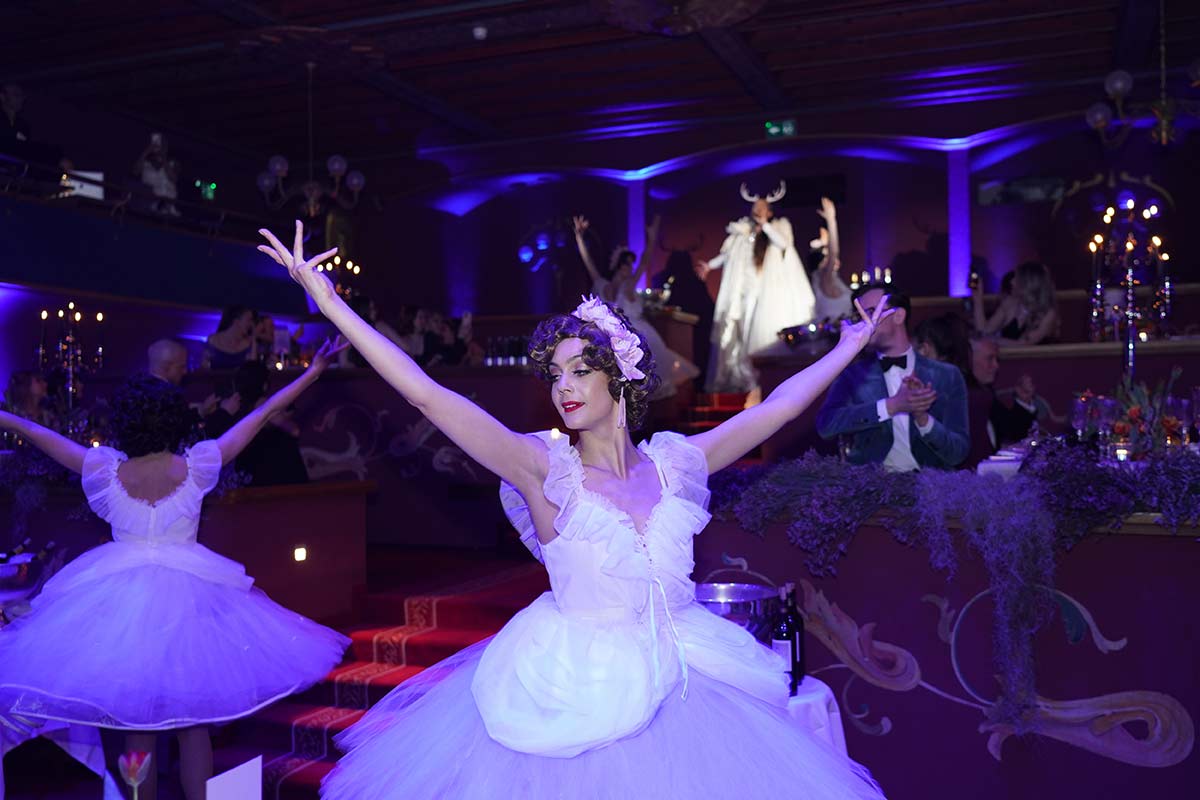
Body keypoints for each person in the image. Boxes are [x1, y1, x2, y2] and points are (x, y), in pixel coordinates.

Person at [257, 221, 890, 800]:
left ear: (618, 379)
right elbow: (429, 396)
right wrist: (331, 303)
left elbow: (776, 409)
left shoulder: (677, 464)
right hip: (576, 689)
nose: (562, 387)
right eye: (554, 375)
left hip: (693, 675)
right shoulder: (543, 470)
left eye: (580, 370)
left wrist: (850, 346)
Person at [0, 339, 350, 800]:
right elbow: (260, 416)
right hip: (190, 597)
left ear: (126, 420)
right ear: (172, 417)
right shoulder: (199, 464)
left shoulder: (103, 470)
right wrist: (312, 373)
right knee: (194, 727)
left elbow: (41, 437)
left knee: (136, 727)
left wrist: (3, 416)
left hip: (119, 600)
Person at [816, 284, 970, 471]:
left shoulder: (947, 375)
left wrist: (923, 420)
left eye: (872, 312)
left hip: (932, 489)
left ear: (898, 315)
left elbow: (959, 453)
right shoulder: (853, 376)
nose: (865, 322)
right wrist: (891, 406)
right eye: (860, 316)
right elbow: (826, 425)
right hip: (873, 490)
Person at [695, 182, 816, 401]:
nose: (757, 210)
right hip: (742, 289)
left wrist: (766, 227)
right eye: (755, 207)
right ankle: (741, 378)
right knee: (739, 332)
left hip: (765, 292)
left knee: (754, 330)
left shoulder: (779, 226)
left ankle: (758, 379)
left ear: (769, 211)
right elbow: (727, 254)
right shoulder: (742, 231)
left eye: (762, 207)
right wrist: (710, 265)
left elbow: (784, 244)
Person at [574, 214, 699, 398]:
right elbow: (588, 262)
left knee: (641, 379)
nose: (630, 269)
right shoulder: (601, 284)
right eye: (626, 265)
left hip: (635, 336)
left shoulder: (629, 285)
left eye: (631, 266)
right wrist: (579, 237)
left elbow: (645, 260)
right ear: (617, 266)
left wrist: (652, 237)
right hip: (608, 336)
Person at [204, 361, 310, 486]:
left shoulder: (232, 405)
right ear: (264, 385)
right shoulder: (264, 405)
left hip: (243, 477)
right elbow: (294, 431)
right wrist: (284, 421)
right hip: (270, 478)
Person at [968, 336, 1042, 452]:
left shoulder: (986, 393)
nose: (996, 366)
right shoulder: (959, 397)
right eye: (990, 359)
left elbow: (1014, 431)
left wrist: (1023, 401)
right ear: (969, 360)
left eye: (997, 359)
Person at [972, 261, 1059, 344]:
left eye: (1016, 278)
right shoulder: (1009, 303)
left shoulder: (1048, 313)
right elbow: (984, 332)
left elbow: (1025, 344)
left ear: (1028, 284)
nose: (1012, 282)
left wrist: (992, 340)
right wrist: (977, 300)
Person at [811, 196, 853, 323]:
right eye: (828, 258)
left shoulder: (834, 279)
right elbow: (834, 251)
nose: (833, 260)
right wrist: (831, 220)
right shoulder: (824, 278)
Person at [133, 131, 180, 217]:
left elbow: (173, 178)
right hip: (148, 202)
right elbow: (135, 172)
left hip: (168, 205)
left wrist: (164, 156)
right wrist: (146, 152)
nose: (158, 146)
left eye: (161, 143)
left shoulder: (173, 163)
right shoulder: (146, 163)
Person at [202, 305, 256, 370]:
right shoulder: (213, 340)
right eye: (249, 320)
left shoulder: (248, 344)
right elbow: (204, 369)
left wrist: (254, 339)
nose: (251, 324)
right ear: (236, 321)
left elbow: (252, 371)